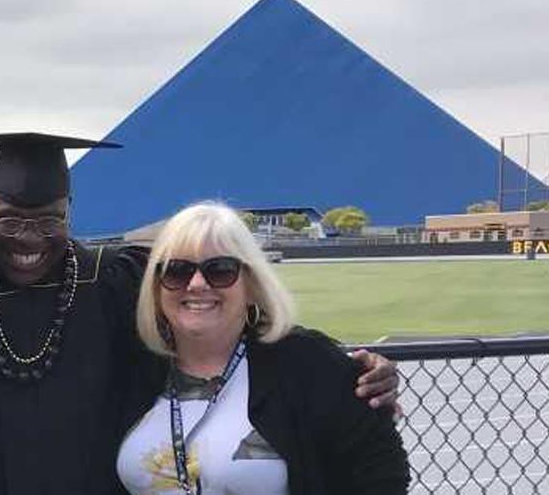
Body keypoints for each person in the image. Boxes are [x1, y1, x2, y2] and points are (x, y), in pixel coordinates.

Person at [0, 133, 404, 495]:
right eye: (9, 219)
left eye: (220, 270)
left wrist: (352, 375)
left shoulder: (105, 283)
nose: (28, 238)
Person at [116, 202, 409, 494]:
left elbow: (383, 475)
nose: (196, 284)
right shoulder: (134, 368)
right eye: (177, 270)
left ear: (252, 285)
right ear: (156, 287)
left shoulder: (308, 365)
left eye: (220, 269)